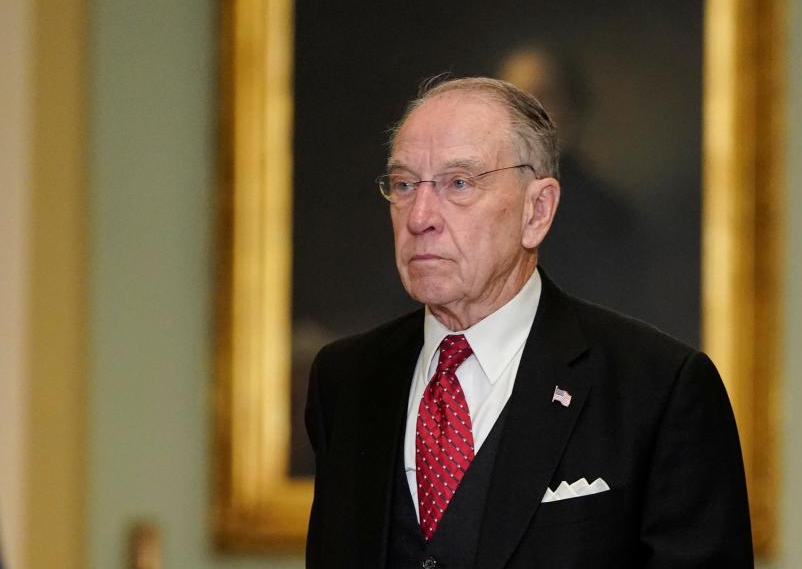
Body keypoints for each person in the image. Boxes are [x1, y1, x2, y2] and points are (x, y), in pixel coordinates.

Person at [304, 77, 753, 568]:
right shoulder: (346, 380)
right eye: (406, 185)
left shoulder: (659, 388)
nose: (420, 217)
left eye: (459, 183)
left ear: (537, 211)